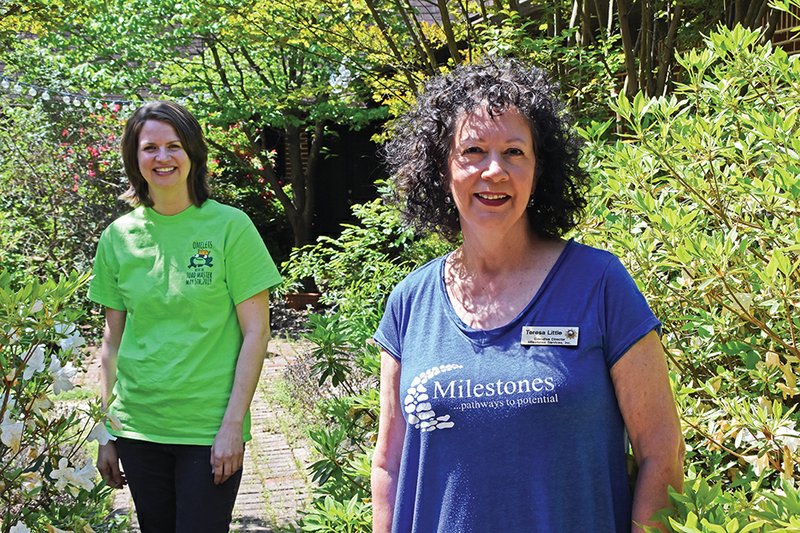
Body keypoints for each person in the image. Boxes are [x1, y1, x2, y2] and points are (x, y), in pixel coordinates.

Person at [371, 59, 685, 532]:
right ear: (442, 170)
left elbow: (662, 450)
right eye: (473, 150)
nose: (493, 170)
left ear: (539, 168)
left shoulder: (599, 284)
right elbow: (389, 466)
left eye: (514, 152)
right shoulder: (410, 302)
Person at [89, 100, 282, 532]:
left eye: (174, 146)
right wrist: (105, 432)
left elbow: (256, 333)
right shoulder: (118, 237)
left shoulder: (231, 228)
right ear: (134, 158)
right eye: (150, 148)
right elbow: (111, 344)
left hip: (207, 430)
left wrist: (233, 424)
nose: (162, 158)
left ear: (193, 154)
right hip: (138, 428)